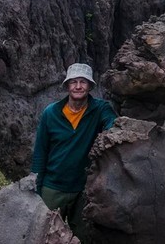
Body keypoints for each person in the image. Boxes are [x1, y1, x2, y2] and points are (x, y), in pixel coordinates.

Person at [31, 62, 117, 240]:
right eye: (74, 82)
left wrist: (112, 131)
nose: (78, 86)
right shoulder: (51, 113)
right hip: (53, 186)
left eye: (83, 82)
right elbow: (41, 150)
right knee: (45, 234)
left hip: (83, 188)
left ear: (90, 86)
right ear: (67, 86)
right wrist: (37, 185)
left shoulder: (100, 109)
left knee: (85, 235)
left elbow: (113, 124)